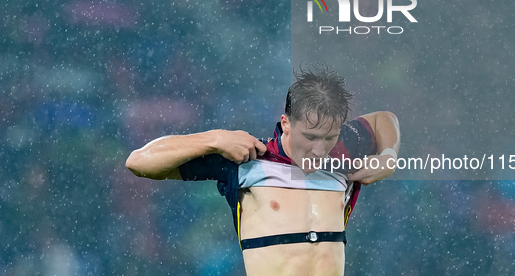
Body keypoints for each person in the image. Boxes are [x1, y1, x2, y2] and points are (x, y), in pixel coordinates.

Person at [126, 66, 400, 276]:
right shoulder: (247, 159)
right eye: (311, 137)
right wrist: (215, 138)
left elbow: (384, 120)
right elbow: (140, 161)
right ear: (286, 122)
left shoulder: (342, 149)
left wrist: (389, 155)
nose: (320, 149)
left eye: (329, 137)